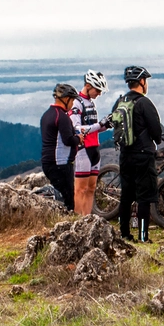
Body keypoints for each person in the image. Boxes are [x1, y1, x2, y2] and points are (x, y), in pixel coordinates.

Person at [113, 65, 163, 242]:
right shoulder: (144, 103)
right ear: (141, 82)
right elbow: (156, 132)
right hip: (143, 155)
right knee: (144, 197)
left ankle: (124, 234)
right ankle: (143, 237)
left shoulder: (120, 102)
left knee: (126, 196)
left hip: (125, 154)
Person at [69, 69, 110, 216]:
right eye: (97, 90)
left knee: (91, 188)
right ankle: (77, 219)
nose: (99, 93)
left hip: (94, 148)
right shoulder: (77, 103)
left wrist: (106, 125)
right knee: (81, 188)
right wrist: (100, 124)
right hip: (83, 149)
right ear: (88, 86)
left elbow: (94, 129)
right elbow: (77, 128)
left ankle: (86, 218)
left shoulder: (91, 103)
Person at [40, 83, 81, 212]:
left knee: (58, 196)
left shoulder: (46, 115)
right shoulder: (62, 117)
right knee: (67, 201)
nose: (72, 104)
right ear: (66, 99)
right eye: (72, 100)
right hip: (60, 163)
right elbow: (68, 140)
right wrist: (79, 139)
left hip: (48, 162)